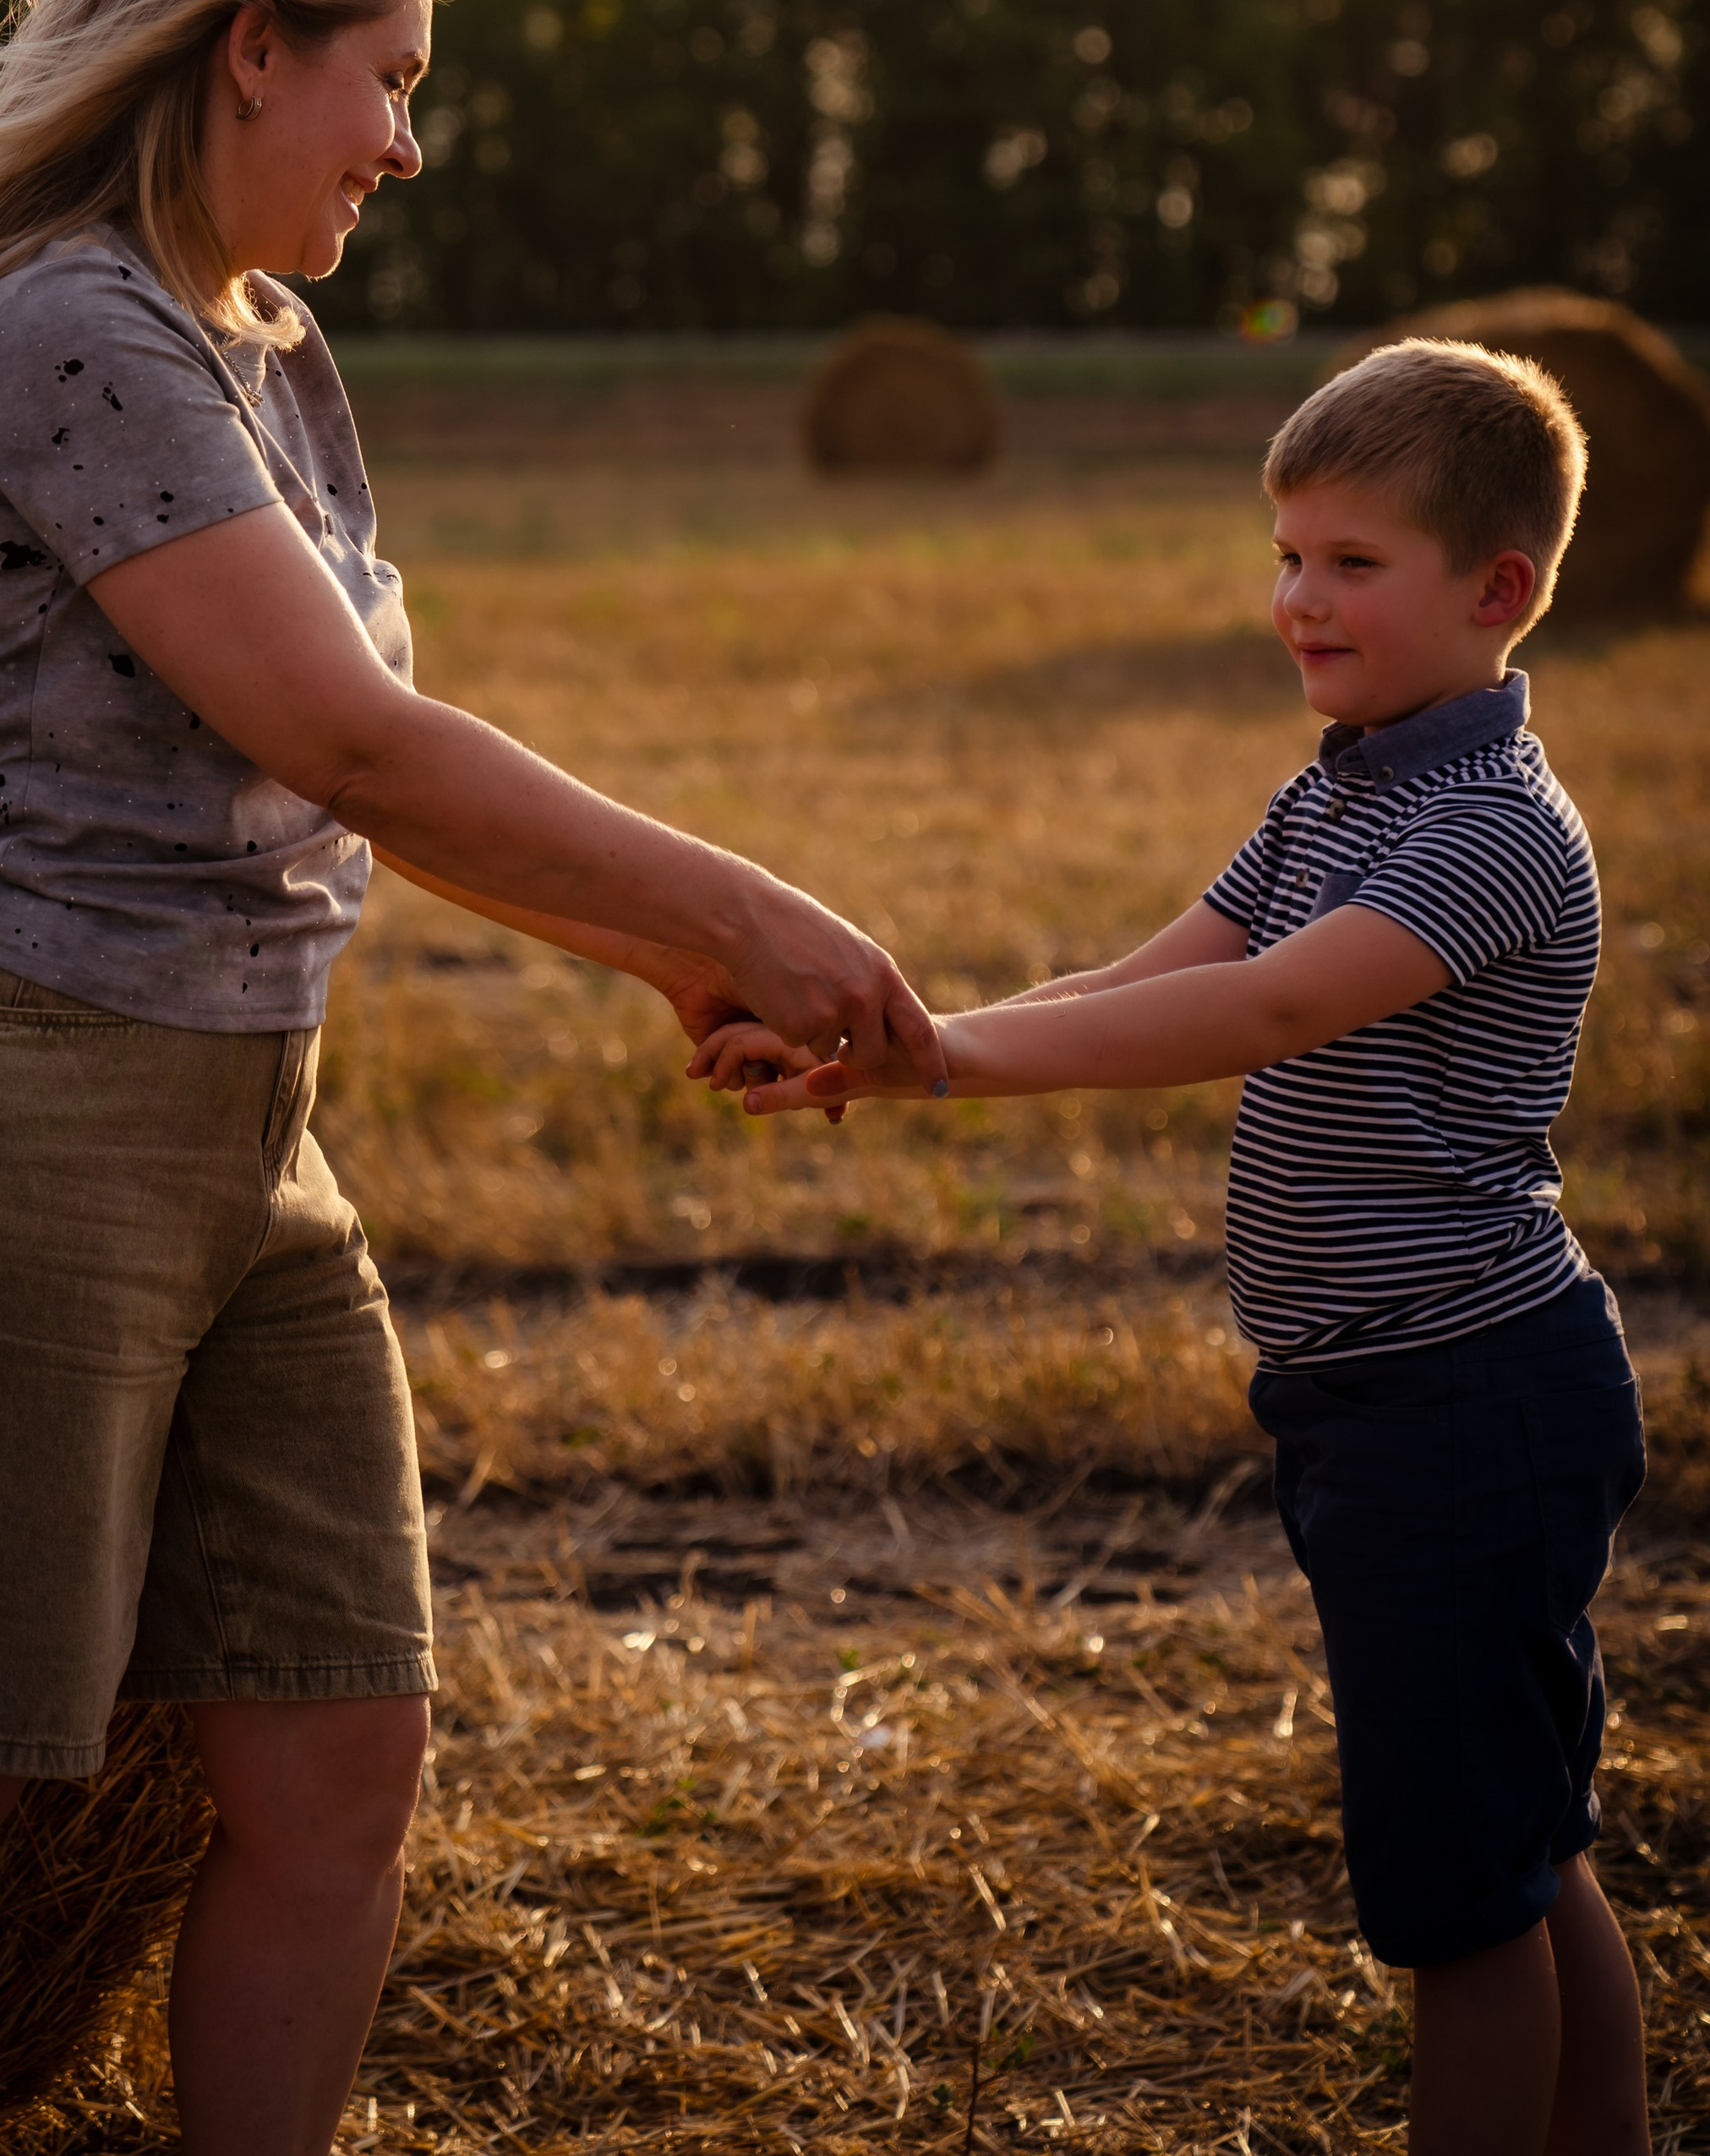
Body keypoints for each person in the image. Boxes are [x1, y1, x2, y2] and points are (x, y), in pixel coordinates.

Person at [0, 0, 940, 2156]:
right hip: (12, 1110)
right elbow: (348, 728)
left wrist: (655, 961)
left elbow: (345, 799)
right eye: (385, 75)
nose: (406, 138)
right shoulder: (66, 326)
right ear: (248, 48)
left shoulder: (262, 343)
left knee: (341, 1760)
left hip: (251, 1133)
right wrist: (737, 909)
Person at [692, 341, 1651, 2156]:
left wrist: (943, 1062)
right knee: (1519, 1845)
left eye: (1349, 563)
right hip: (1387, 1399)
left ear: (1497, 588)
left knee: (1461, 1903)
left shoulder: (1486, 830)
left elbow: (1266, 1011)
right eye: (1285, 555)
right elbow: (1152, 975)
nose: (1294, 598)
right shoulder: (1343, 789)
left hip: (1463, 1403)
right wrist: (890, 1056)